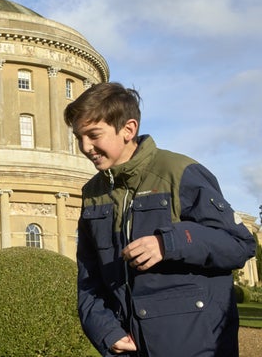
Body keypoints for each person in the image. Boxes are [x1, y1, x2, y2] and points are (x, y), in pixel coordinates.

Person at [64, 82, 256, 357]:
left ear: (128, 129)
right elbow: (89, 278)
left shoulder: (179, 172)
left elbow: (239, 244)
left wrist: (169, 243)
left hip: (195, 348)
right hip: (128, 349)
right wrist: (106, 331)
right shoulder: (93, 194)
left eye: (94, 135)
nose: (85, 147)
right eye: (78, 137)